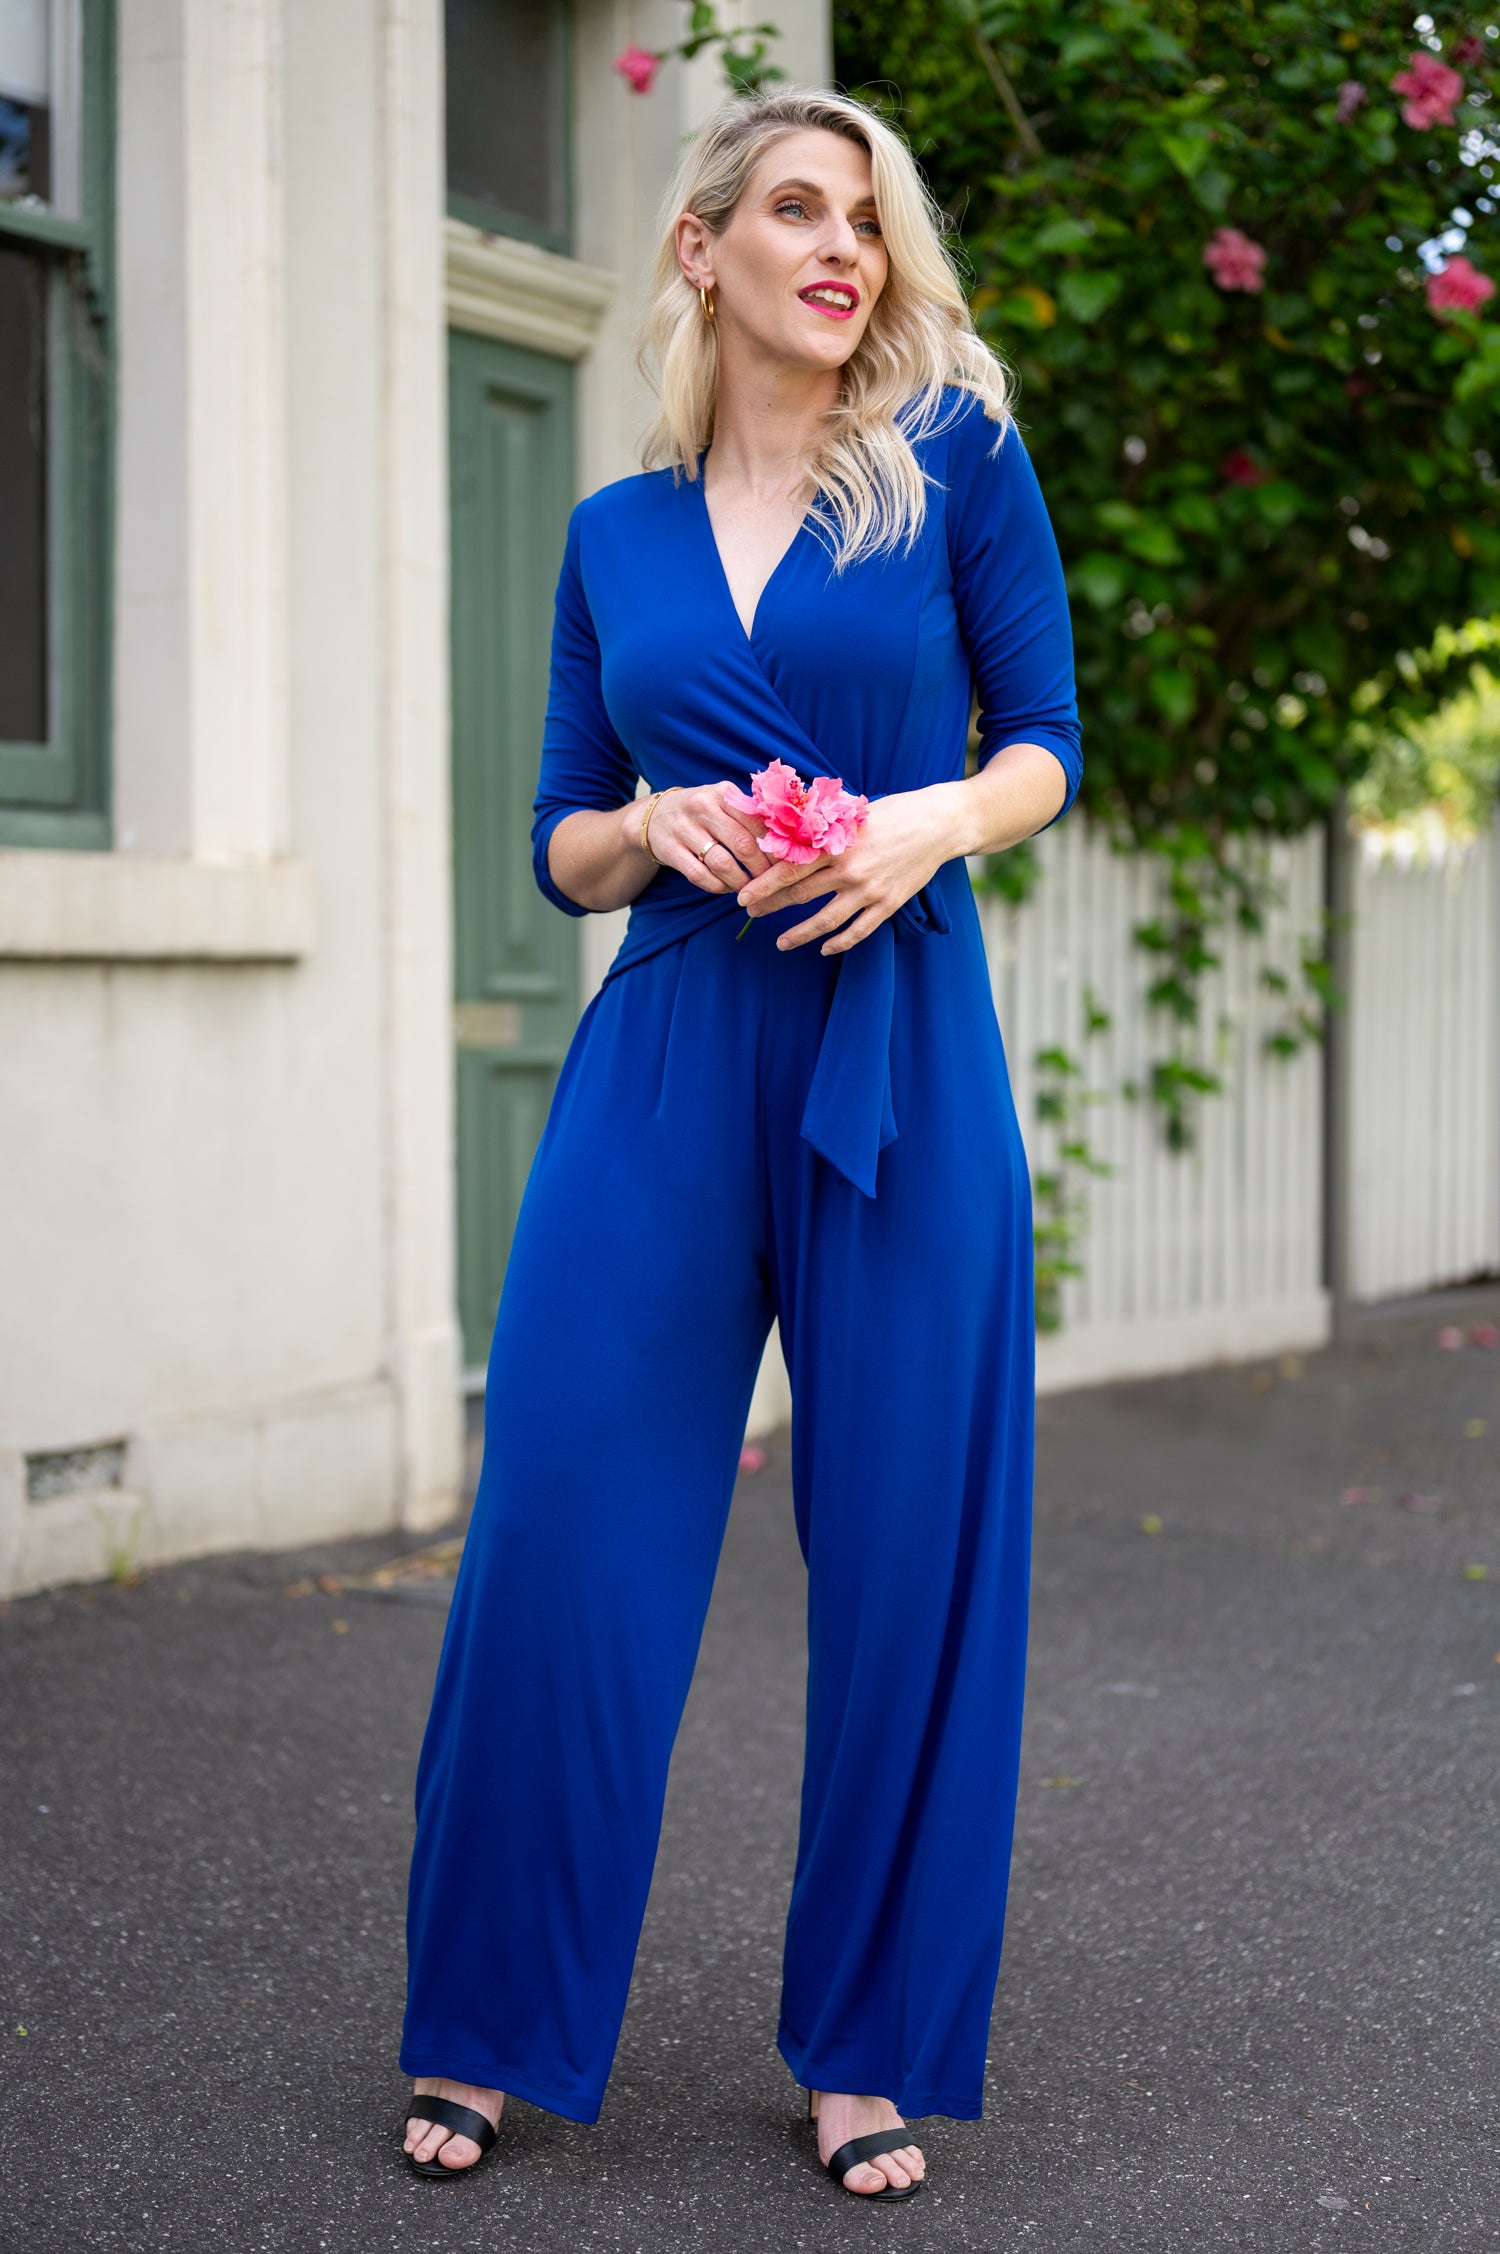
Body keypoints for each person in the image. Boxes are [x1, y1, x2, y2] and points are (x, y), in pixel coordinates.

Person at [399, 84, 1081, 2202]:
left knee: (907, 1557)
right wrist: (650, 824)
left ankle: (866, 2041)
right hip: (677, 1041)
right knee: (564, 1527)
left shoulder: (953, 463)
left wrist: (924, 816)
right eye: (796, 209)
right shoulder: (615, 536)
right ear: (701, 247)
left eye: (865, 219)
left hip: (902, 1047)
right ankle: (485, 2015)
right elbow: (562, 838)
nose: (841, 250)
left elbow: (1046, 740)